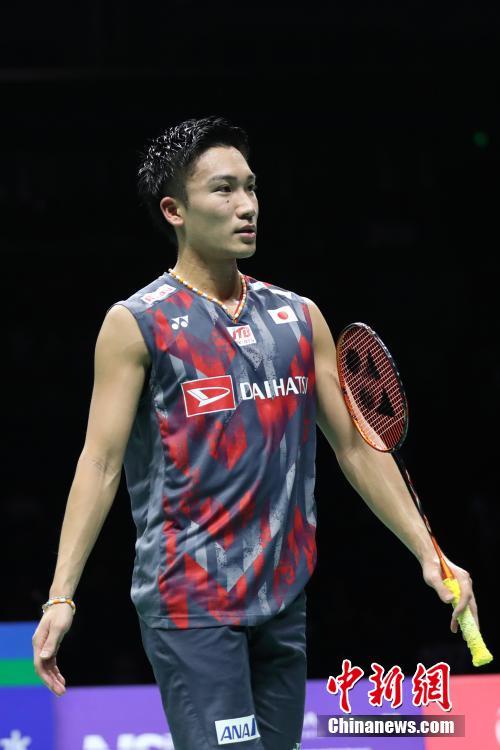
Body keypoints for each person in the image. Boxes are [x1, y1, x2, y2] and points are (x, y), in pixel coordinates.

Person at [32, 116, 479, 749]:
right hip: (190, 603)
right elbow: (100, 464)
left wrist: (430, 554)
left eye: (251, 187)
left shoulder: (298, 318)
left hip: (283, 598)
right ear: (175, 211)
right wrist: (61, 597)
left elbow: (356, 445)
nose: (247, 205)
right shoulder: (137, 324)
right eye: (223, 189)